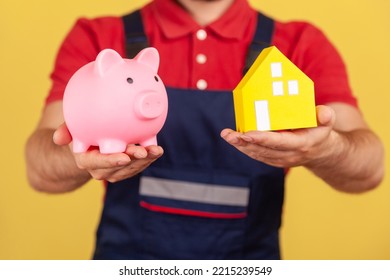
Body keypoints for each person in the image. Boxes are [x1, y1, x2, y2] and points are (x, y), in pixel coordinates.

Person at [25, 0, 384, 259]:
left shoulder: (299, 44)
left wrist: (327, 148)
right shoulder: (99, 37)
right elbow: (41, 170)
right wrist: (82, 156)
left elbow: (370, 169)